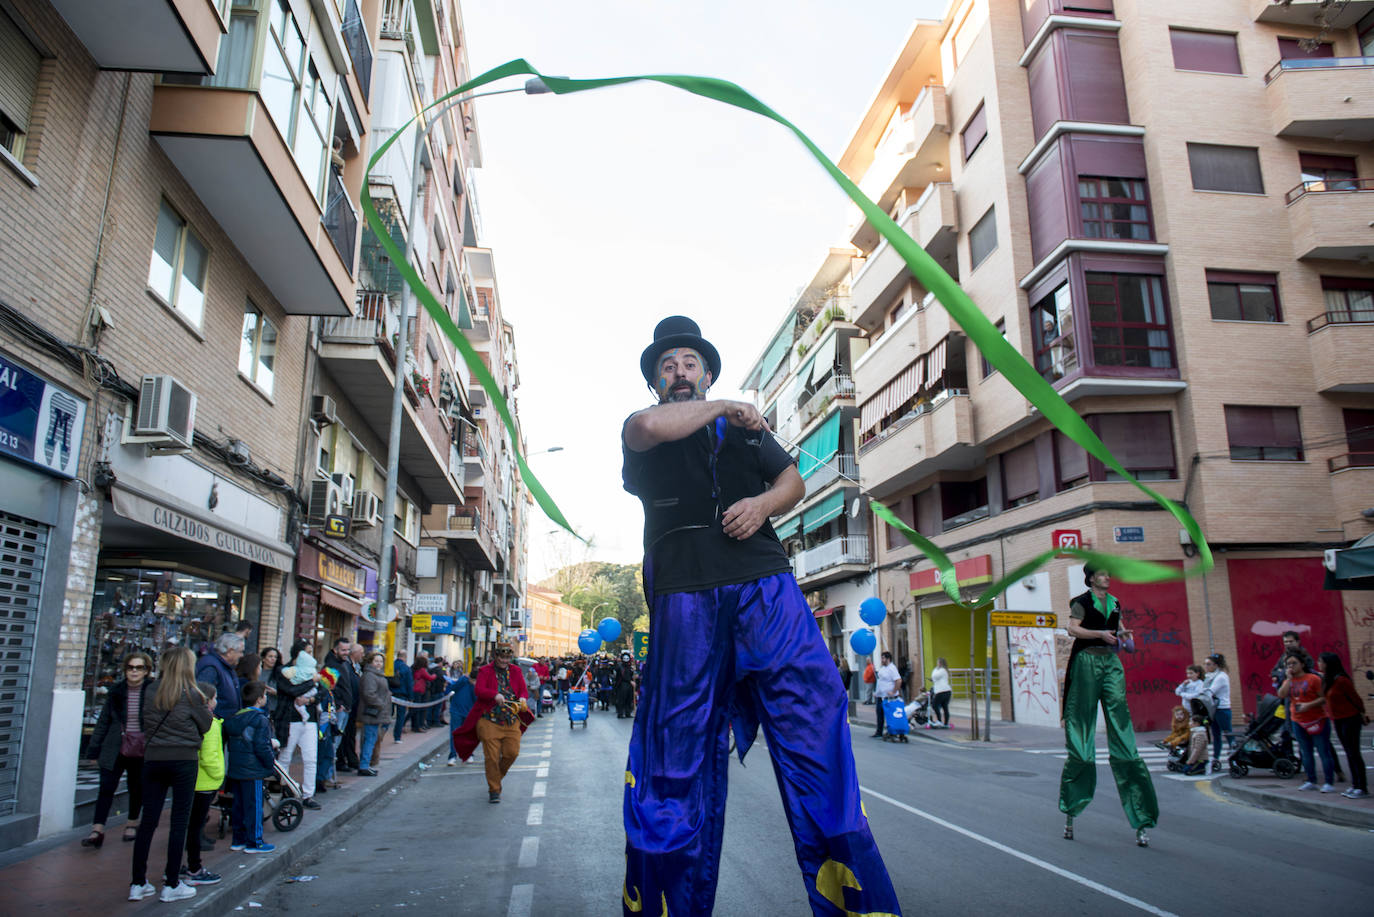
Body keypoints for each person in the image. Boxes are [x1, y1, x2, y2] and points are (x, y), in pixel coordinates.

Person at [618, 317, 901, 916]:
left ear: (707, 370)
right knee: (674, 761)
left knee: (816, 725)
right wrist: (726, 404)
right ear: (656, 382)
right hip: (685, 597)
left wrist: (763, 504)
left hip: (765, 585)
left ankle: (858, 904)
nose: (679, 374)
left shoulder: (746, 434)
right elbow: (646, 426)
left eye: (689, 363)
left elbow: (792, 479)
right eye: (668, 367)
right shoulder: (647, 428)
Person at [1059, 564, 1158, 848]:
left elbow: (1121, 630)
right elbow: (1072, 629)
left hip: (1111, 664)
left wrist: (1126, 638)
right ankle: (1071, 808)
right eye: (1102, 574)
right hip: (1087, 662)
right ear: (1091, 578)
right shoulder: (1082, 602)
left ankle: (1141, 817)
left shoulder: (1115, 603)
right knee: (1082, 746)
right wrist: (1100, 634)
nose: (1107, 577)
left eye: (1108, 573)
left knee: (1125, 744)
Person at [128, 647, 212, 903]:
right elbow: (206, 725)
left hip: (153, 759)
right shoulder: (193, 694)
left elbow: (145, 723)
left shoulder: (151, 690)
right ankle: (172, 883)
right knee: (179, 821)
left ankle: (137, 882)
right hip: (183, 759)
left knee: (148, 821)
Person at [84, 651, 154, 848]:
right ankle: (97, 829)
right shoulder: (116, 691)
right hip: (115, 746)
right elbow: (103, 721)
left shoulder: (152, 692)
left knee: (136, 787)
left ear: (146, 670)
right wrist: (94, 750)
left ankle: (132, 823)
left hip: (141, 747)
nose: (134, 672)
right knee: (106, 787)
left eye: (139, 668)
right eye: (130, 667)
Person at [452, 646, 532, 803]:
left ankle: (495, 777)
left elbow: (523, 690)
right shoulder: (484, 671)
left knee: (512, 753)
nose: (504, 661)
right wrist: (494, 694)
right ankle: (494, 790)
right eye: (501, 658)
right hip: (489, 720)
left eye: (507, 658)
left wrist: (522, 698)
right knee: (492, 758)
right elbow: (479, 690)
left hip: (511, 720)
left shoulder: (515, 671)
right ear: (496, 657)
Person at [180, 681, 224, 887]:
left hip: (192, 781)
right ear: (207, 702)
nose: (217, 702)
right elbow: (209, 755)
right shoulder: (210, 724)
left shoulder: (192, 720)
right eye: (215, 698)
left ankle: (179, 867)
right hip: (205, 782)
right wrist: (219, 775)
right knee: (196, 826)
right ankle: (194, 868)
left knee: (188, 825)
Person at [224, 680, 276, 853]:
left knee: (238, 806)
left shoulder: (235, 718)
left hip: (236, 768)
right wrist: (270, 764)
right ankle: (255, 842)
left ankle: (238, 840)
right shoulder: (260, 719)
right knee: (254, 806)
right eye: (265, 695)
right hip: (253, 770)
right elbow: (262, 746)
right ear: (260, 699)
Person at [1278, 652, 1335, 791]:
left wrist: (1308, 705)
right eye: (1288, 664)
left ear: (1302, 664)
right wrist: (1289, 679)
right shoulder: (1289, 681)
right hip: (1298, 721)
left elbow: (1324, 698)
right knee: (1305, 751)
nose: (1291, 666)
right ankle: (1311, 780)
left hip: (1317, 719)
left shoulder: (1313, 679)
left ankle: (1328, 782)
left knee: (1323, 751)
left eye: (1294, 663)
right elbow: (1281, 694)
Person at [277, 638, 322, 810]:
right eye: (308, 652)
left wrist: (310, 699)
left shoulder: (312, 671)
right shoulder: (285, 671)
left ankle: (308, 795)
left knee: (311, 759)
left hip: (309, 721)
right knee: (285, 757)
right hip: (290, 720)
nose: (311, 656)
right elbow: (290, 690)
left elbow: (323, 692)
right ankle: (283, 791)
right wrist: (312, 682)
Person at [1318, 651, 1369, 799]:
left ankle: (1362, 786)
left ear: (1328, 663)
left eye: (1321, 662)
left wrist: (1362, 712)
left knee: (1354, 752)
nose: (1319, 664)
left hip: (1350, 718)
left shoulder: (1341, 680)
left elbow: (1356, 699)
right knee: (1348, 752)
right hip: (1338, 719)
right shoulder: (1328, 680)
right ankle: (1355, 785)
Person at [357, 652, 392, 776]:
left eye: (381, 661)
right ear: (370, 662)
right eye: (376, 661)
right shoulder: (370, 675)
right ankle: (364, 765)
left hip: (377, 713)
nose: (379, 664)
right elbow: (369, 694)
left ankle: (367, 764)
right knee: (369, 739)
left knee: (373, 739)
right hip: (371, 713)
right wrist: (381, 704)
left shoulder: (377, 674)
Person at [324, 638, 356, 774]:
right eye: (343, 650)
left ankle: (329, 774)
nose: (346, 653)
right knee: (332, 744)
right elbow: (327, 687)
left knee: (336, 744)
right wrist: (339, 704)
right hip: (338, 710)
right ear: (335, 650)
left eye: (348, 650)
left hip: (345, 709)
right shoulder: (330, 665)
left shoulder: (344, 663)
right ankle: (327, 774)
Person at [195, 632, 243, 721]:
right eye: (240, 652)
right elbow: (201, 697)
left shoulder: (224, 666)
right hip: (212, 725)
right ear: (229, 651)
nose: (241, 655)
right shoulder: (211, 667)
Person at [1201, 653, 1232, 772]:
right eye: (1205, 664)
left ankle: (1234, 753)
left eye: (1208, 664)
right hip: (1213, 709)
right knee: (1216, 735)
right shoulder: (1210, 675)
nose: (1206, 666)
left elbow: (1210, 691)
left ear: (1216, 665)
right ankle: (1216, 757)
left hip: (1222, 708)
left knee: (1228, 733)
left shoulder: (1221, 676)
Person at [447, 665, 477, 764]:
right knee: (455, 733)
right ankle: (452, 756)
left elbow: (477, 699)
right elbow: (452, 687)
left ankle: (468, 754)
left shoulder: (476, 686)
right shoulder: (463, 681)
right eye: (474, 681)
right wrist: (463, 680)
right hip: (456, 710)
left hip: (469, 712)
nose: (475, 683)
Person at [871, 651, 902, 738]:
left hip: (889, 697)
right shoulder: (882, 668)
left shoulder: (892, 668)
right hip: (880, 696)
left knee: (889, 715)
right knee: (879, 714)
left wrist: (893, 692)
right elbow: (881, 681)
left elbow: (898, 680)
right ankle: (879, 732)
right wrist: (877, 693)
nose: (881, 660)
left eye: (883, 658)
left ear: (888, 659)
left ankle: (892, 731)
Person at [391, 652, 413, 742]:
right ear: (405, 657)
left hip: (390, 693)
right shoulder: (406, 668)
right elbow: (409, 683)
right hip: (402, 694)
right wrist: (410, 697)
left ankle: (382, 732)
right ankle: (397, 737)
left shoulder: (391, 666)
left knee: (388, 714)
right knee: (400, 716)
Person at [411, 654, 436, 732]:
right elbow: (430, 677)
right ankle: (418, 726)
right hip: (419, 690)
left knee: (416, 709)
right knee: (419, 709)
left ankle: (415, 725)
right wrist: (434, 675)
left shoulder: (415, 668)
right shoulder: (422, 670)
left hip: (415, 689)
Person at [930, 657, 952, 728]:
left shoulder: (941, 670)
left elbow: (934, 676)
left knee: (934, 705)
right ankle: (945, 723)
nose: (937, 664)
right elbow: (936, 678)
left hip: (941, 691)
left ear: (940, 663)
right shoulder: (944, 670)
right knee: (945, 707)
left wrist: (935, 669)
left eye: (938, 662)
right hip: (946, 691)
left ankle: (939, 721)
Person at [614, 651, 637, 719]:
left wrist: (634, 676)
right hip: (622, 685)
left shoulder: (630, 667)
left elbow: (631, 675)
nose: (626, 660)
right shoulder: (620, 666)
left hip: (629, 685)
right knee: (622, 699)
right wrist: (630, 681)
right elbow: (623, 676)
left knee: (629, 699)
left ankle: (628, 712)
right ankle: (620, 713)